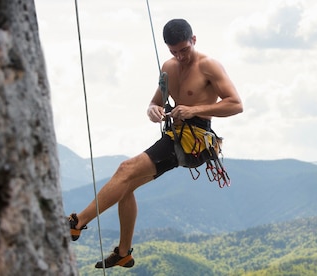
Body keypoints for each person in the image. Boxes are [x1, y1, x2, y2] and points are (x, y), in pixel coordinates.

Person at [67, 18, 243, 269]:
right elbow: (155, 103)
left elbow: (236, 104)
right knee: (125, 187)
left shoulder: (209, 66)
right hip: (174, 135)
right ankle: (124, 253)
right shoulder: (169, 67)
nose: (180, 56)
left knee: (125, 170)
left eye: (184, 50)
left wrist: (194, 109)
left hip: (195, 139)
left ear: (194, 40)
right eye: (174, 51)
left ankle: (76, 224)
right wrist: (152, 111)